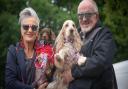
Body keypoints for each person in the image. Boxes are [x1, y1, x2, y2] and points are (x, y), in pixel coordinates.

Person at [62, 0, 118, 89]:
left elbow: (100, 62)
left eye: (88, 14)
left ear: (96, 16)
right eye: (80, 15)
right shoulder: (75, 35)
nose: (84, 19)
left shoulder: (104, 34)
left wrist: (73, 73)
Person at [5, 7, 47, 89]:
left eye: (34, 27)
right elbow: (10, 82)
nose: (30, 30)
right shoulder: (13, 50)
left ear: (37, 31)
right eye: (26, 27)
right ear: (21, 29)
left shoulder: (45, 50)